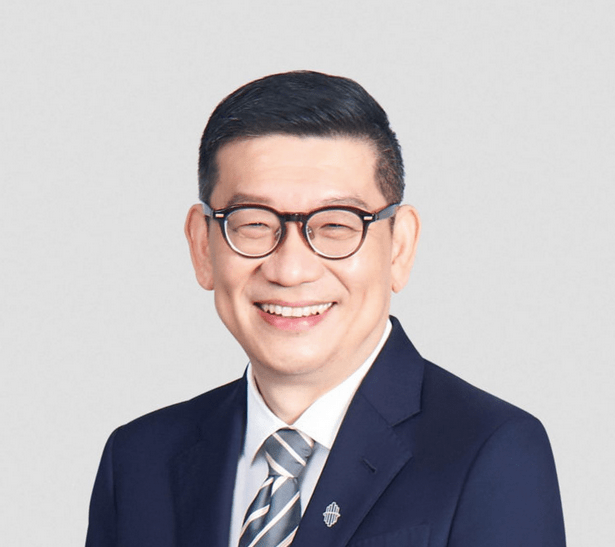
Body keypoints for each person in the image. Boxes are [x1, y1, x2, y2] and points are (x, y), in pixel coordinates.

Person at [86, 70, 566, 547]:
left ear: (399, 247)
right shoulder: (139, 461)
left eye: (336, 224)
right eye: (253, 223)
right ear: (202, 246)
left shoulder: (492, 452)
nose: (290, 270)